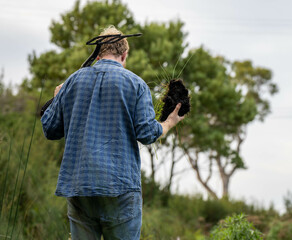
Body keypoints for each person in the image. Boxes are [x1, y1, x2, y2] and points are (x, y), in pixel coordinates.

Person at [41, 25, 185, 240]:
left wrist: (55, 98)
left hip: (79, 187)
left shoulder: (72, 81)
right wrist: (169, 122)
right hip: (119, 187)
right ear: (124, 54)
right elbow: (147, 134)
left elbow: (50, 129)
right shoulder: (135, 84)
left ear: (98, 54)